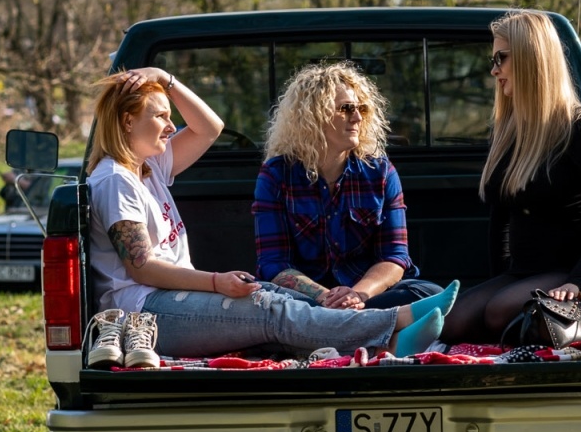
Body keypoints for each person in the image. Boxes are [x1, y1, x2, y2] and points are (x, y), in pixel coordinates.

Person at [83, 68, 455, 366]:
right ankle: (397, 322)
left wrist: (167, 79)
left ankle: (388, 342)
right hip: (145, 311)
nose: (170, 126)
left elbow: (209, 127)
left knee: (274, 296)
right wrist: (216, 282)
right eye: (162, 116)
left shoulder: (150, 167)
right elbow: (142, 268)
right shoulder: (116, 180)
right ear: (127, 122)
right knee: (269, 308)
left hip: (171, 299)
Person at [438, 11, 581, 352]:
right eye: (492, 60)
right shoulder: (509, 131)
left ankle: (574, 325)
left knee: (499, 312)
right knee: (453, 322)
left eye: (501, 58)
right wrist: (497, 282)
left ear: (531, 59)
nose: (494, 70)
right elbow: (500, 222)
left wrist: (577, 282)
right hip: (527, 272)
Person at [253, 62, 444, 311]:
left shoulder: (380, 172)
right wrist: (326, 297)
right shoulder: (276, 174)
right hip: (305, 300)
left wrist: (356, 295)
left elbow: (395, 256)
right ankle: (368, 325)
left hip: (366, 296)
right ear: (313, 115)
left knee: (430, 294)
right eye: (346, 108)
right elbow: (274, 263)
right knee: (262, 299)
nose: (357, 117)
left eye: (361, 109)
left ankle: (342, 324)